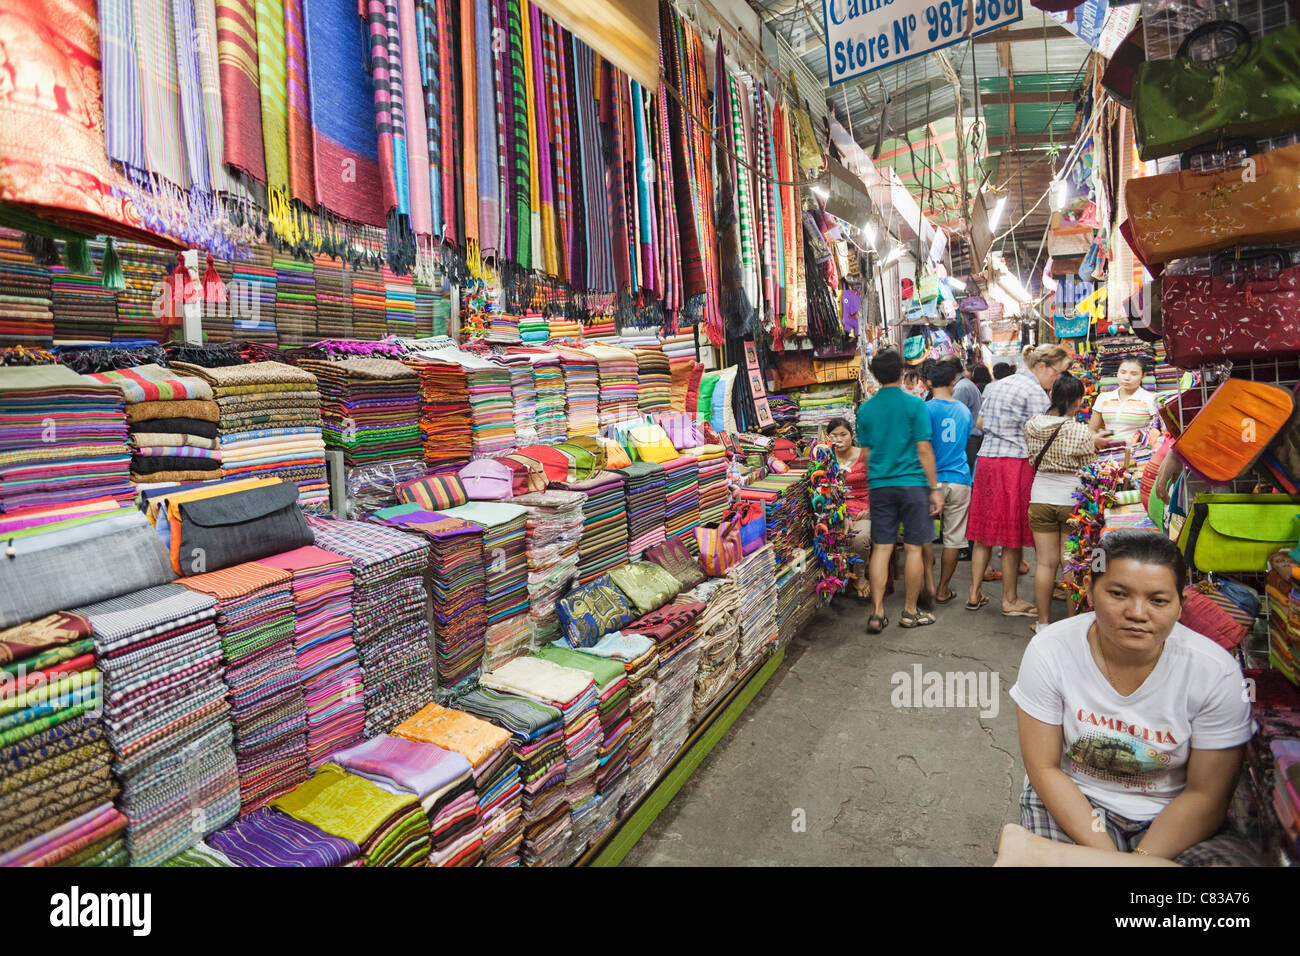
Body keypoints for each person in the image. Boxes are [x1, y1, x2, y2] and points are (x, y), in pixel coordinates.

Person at [1007, 529, 1256, 865]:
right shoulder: (1050, 650)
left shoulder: (1216, 673)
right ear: (1089, 590)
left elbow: (1206, 795)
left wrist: (1138, 859)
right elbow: (1044, 768)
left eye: (1158, 600)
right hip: (1075, 803)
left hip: (1170, 818)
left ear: (1182, 604)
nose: (1138, 613)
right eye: (1119, 593)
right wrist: (1114, 859)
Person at [967, 344, 1074, 616]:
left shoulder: (999, 385)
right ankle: (1010, 600)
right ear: (1043, 366)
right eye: (1059, 372)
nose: (1058, 379)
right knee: (1011, 538)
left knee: (983, 534)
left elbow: (979, 423)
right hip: (1013, 464)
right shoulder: (1035, 393)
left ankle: (974, 593)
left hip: (987, 460)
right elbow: (1046, 432)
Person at [856, 349, 945, 633]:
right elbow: (924, 449)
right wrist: (934, 489)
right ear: (901, 372)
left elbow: (867, 454)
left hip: (881, 485)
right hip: (912, 485)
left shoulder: (866, 409)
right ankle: (909, 611)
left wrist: (879, 477)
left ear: (875, 374)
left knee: (881, 548)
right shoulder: (914, 405)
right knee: (914, 547)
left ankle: (877, 613)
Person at [1024, 374, 1109, 632]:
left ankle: (1042, 623)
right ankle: (1072, 625)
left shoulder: (1033, 424)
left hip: (1039, 497)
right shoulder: (1080, 431)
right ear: (1078, 402)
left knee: (1045, 564)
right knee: (1069, 563)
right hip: (1071, 502)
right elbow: (1089, 467)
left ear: (1052, 395)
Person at [923, 359, 973, 606]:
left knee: (924, 534)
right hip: (959, 479)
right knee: (954, 539)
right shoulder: (964, 411)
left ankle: (927, 584)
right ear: (954, 381)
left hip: (929, 481)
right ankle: (942, 589)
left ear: (928, 382)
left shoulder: (925, 410)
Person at [826, 417, 871, 601]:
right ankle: (836, 576)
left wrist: (873, 509)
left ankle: (859, 575)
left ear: (851, 436)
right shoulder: (826, 459)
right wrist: (840, 514)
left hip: (865, 510)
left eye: (843, 434)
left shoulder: (865, 454)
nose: (839, 439)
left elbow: (879, 483)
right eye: (834, 435)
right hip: (836, 512)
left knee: (860, 538)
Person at [1090, 356, 1160, 443]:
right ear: (1117, 373)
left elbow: (1156, 430)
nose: (1127, 378)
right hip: (1109, 452)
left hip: (1138, 452)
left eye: (1133, 374)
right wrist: (1096, 439)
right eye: (1123, 372)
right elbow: (1092, 429)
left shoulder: (1151, 399)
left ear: (1143, 376)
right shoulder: (1103, 398)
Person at [950, 357, 983, 473]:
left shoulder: (961, 388)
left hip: (969, 439)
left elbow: (956, 416)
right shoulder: (965, 384)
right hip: (971, 438)